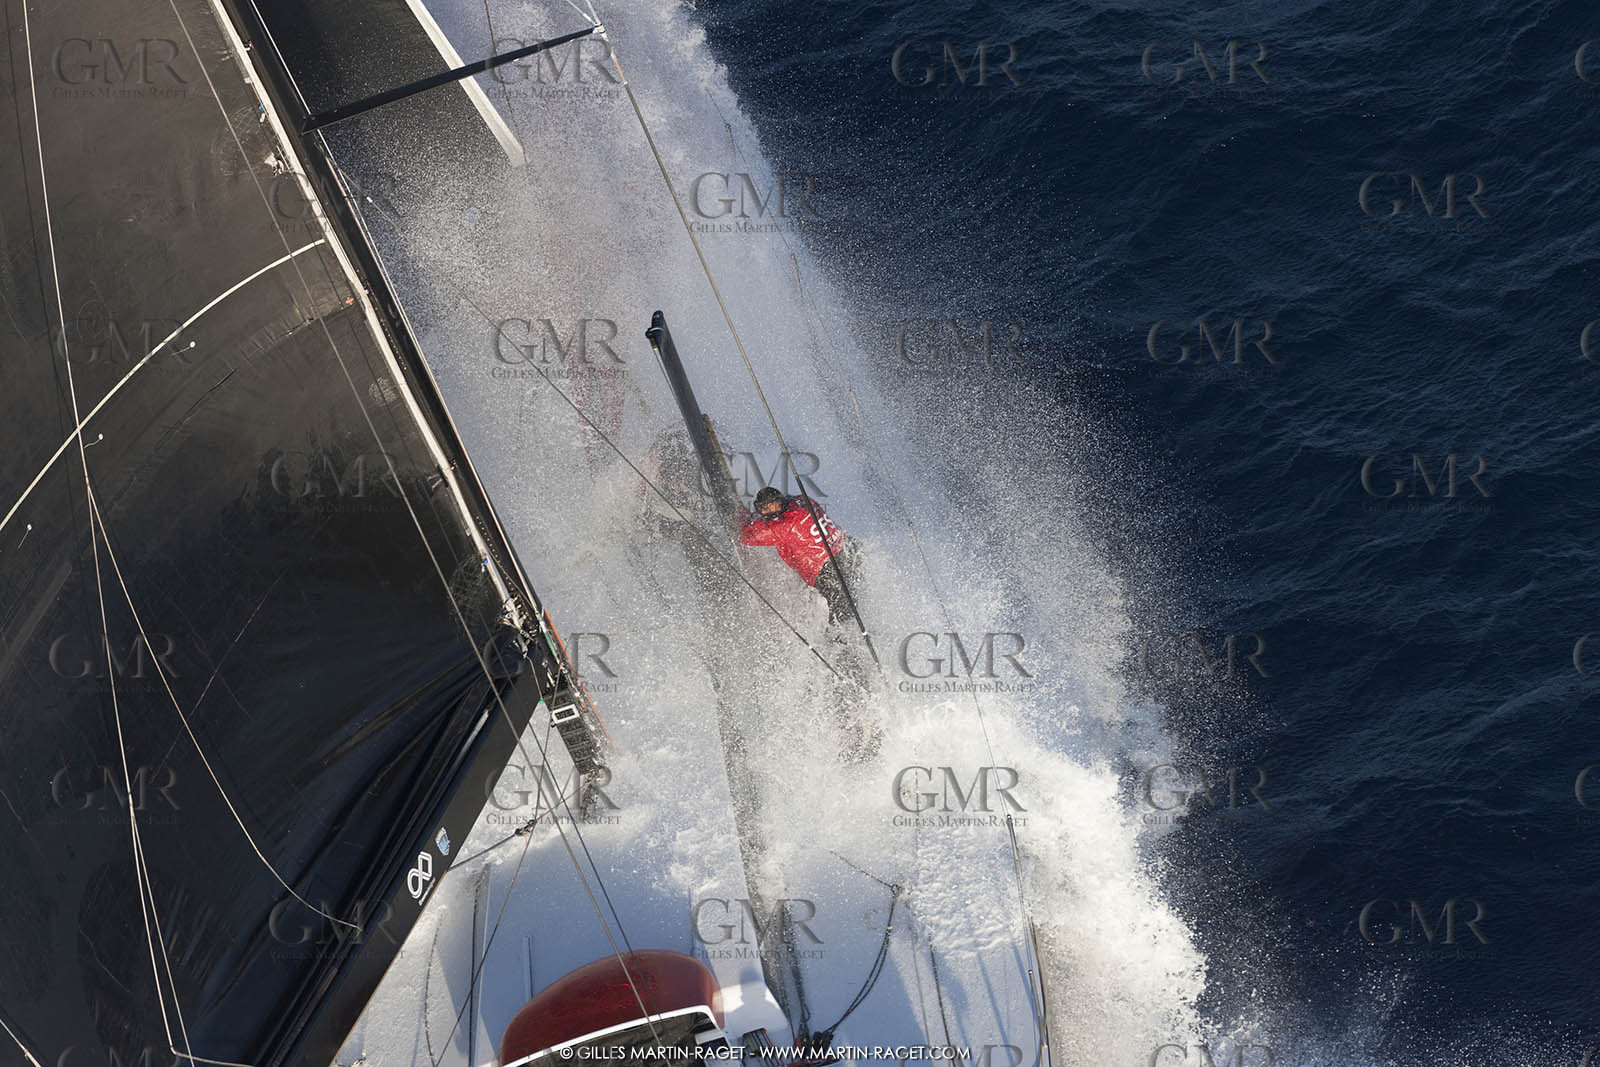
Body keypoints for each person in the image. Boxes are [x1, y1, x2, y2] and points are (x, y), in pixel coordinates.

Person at [739, 486, 861, 627]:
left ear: (774, 505)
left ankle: (845, 645)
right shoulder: (802, 500)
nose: (762, 512)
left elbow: (747, 536)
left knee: (841, 625)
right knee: (854, 609)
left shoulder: (785, 525)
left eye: (764, 508)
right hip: (849, 550)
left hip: (830, 573)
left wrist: (741, 514)